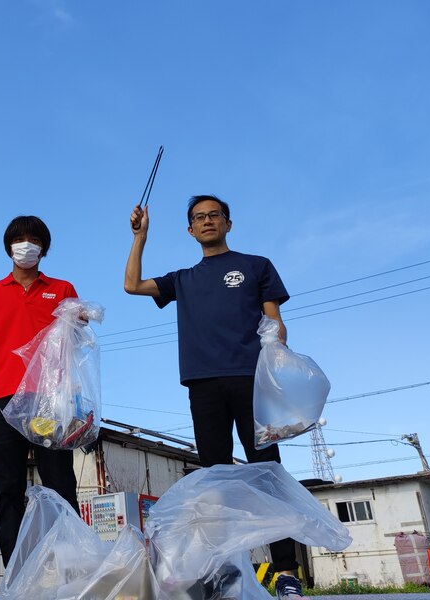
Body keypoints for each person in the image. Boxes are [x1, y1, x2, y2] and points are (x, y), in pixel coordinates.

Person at [124, 195, 308, 600]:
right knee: (214, 480)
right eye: (198, 218)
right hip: (202, 384)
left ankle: (286, 573)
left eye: (214, 215)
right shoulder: (184, 279)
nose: (207, 222)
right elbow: (132, 285)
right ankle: (226, 572)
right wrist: (140, 236)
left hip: (251, 381)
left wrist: (276, 356)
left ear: (227, 222)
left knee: (267, 474)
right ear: (190, 230)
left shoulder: (255, 266)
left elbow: (275, 323)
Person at [0, 215, 81, 566]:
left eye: (33, 239)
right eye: (19, 239)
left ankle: (72, 565)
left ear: (43, 248)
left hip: (50, 402)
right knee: (7, 488)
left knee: (60, 483)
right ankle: (16, 570)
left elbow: (74, 344)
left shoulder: (61, 290)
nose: (25, 245)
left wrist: (79, 321)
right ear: (8, 247)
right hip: (3, 403)